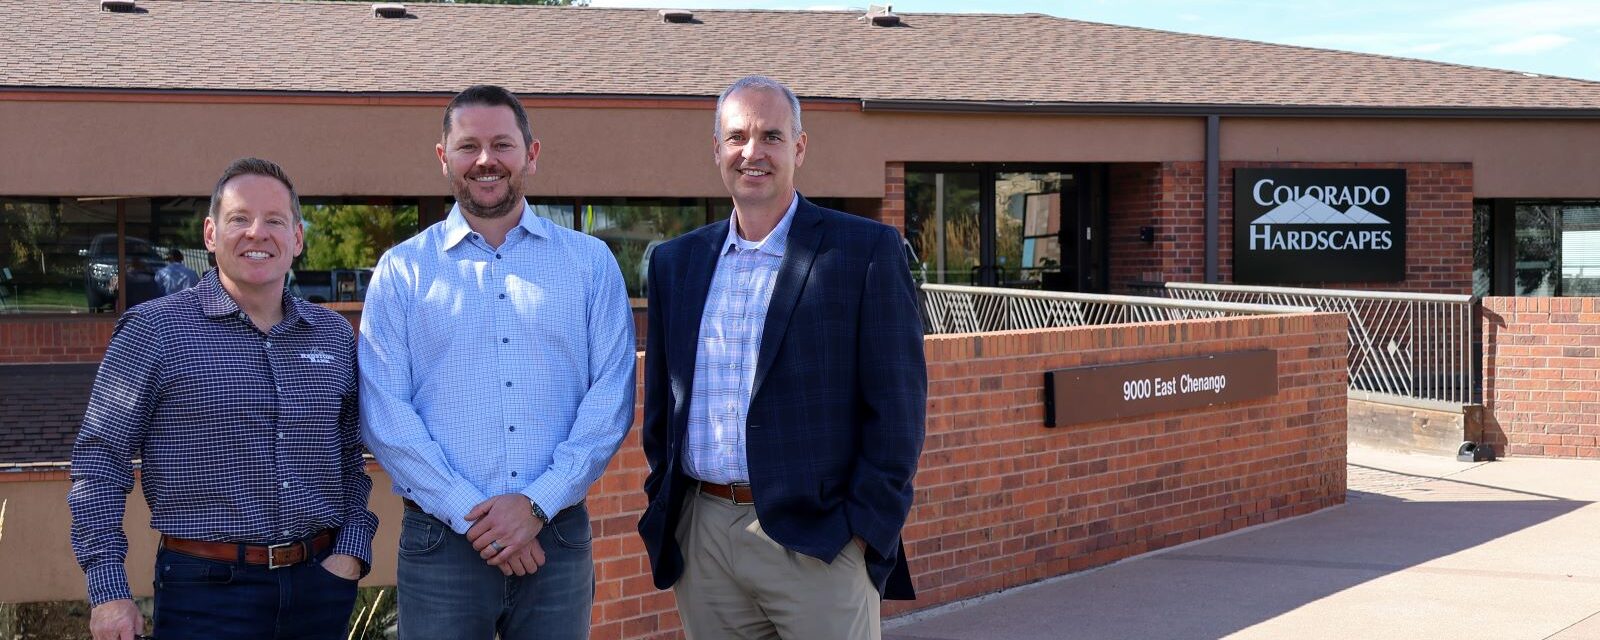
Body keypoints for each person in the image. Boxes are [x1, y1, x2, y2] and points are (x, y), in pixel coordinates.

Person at [637, 75, 928, 639]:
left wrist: (863, 530)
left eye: (771, 136)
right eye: (737, 136)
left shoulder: (862, 252)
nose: (753, 152)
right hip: (704, 538)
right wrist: (670, 509)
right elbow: (663, 405)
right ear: (717, 151)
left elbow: (898, 411)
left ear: (799, 148)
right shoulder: (676, 263)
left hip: (820, 543)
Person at [358, 84, 636, 640]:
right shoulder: (403, 272)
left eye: (502, 145)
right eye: (468, 147)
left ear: (531, 153)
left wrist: (536, 504)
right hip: (441, 544)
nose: (486, 160)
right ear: (444, 158)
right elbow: (384, 414)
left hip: (555, 540)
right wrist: (477, 515)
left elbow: (610, 399)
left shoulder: (589, 264)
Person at [68, 157, 377, 640]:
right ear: (211, 234)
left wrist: (352, 553)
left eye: (274, 220)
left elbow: (349, 460)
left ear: (297, 238)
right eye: (239, 219)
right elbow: (99, 463)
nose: (257, 233)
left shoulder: (334, 336)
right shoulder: (155, 330)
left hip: (320, 585)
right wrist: (108, 591)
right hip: (205, 593)